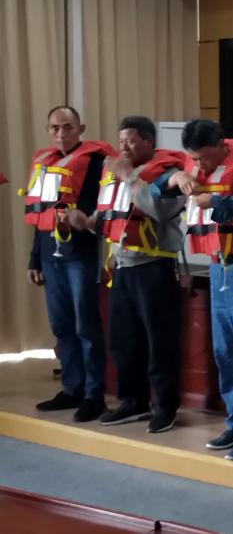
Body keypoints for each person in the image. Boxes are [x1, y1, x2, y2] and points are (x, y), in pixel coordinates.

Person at [75, 116, 187, 432]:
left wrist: (129, 177)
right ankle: (133, 402)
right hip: (121, 267)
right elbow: (110, 217)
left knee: (160, 341)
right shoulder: (115, 175)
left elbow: (160, 210)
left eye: (131, 141)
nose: (123, 147)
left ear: (149, 142)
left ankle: (165, 406)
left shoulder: (169, 173)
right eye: (121, 140)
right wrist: (87, 222)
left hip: (154, 266)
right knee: (124, 341)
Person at [169, 119, 233, 461]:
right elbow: (156, 187)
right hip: (217, 265)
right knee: (224, 351)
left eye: (205, 158)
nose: (199, 165)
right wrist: (177, 176)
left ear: (221, 145)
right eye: (194, 159)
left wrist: (218, 202)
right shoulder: (191, 167)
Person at [20, 106, 114, 422]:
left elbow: (102, 207)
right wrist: (34, 258)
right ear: (48, 130)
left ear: (81, 128)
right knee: (61, 325)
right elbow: (40, 214)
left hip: (80, 253)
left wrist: (83, 219)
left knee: (86, 324)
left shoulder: (97, 161)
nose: (61, 134)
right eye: (55, 128)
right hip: (50, 254)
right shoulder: (44, 162)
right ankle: (72, 388)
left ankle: (94, 395)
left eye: (68, 127)